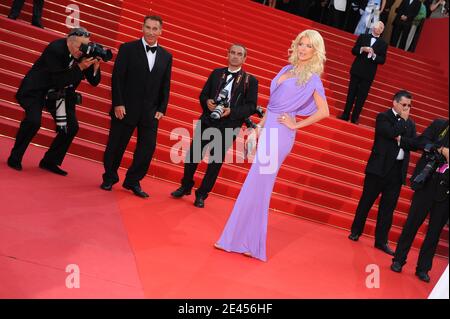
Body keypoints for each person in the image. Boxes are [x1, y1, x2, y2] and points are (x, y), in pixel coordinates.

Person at [215, 30, 329, 261]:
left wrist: (296, 125)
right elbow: (272, 104)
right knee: (254, 185)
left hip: (281, 134)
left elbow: (324, 111)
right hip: (268, 128)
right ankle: (242, 241)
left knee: (260, 186)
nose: (302, 48)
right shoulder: (287, 70)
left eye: (308, 46)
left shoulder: (312, 79)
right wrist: (258, 127)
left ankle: (249, 243)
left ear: (315, 51)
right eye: (301, 44)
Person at [170, 44, 258, 208]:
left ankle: (202, 194)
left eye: (239, 54)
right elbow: (203, 94)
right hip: (209, 120)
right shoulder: (217, 73)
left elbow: (251, 106)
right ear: (227, 54)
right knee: (193, 155)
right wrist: (207, 102)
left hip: (229, 125)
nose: (235, 56)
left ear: (244, 58)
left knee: (215, 162)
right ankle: (186, 185)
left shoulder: (250, 81)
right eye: (232, 52)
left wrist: (231, 111)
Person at [7, 27, 101, 175]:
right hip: (38, 89)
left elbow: (94, 81)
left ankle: (50, 161)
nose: (82, 50)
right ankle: (15, 156)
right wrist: (81, 67)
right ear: (69, 42)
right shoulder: (55, 49)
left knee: (71, 127)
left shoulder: (82, 53)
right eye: (80, 46)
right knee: (33, 121)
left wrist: (95, 67)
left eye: (86, 46)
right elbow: (59, 80)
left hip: (59, 94)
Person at [100, 16, 172, 198]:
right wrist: (118, 103)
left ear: (161, 31)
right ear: (142, 28)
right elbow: (117, 78)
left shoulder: (166, 56)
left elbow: (165, 84)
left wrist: (162, 108)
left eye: (155, 29)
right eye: (148, 27)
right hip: (125, 108)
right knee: (116, 145)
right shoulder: (127, 48)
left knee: (147, 149)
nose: (151, 32)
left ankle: (133, 180)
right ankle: (109, 177)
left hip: (150, 112)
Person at [348, 90, 417, 256]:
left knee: (388, 209)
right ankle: (356, 231)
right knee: (366, 201)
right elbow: (389, 133)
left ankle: (381, 241)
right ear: (395, 103)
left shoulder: (411, 124)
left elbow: (414, 144)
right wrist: (401, 126)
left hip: (396, 171)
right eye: (404, 105)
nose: (407, 108)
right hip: (378, 169)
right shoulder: (383, 117)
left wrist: (401, 138)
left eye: (409, 105)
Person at [391, 118, 449, 283]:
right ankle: (398, 259)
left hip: (446, 191)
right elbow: (422, 141)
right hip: (427, 183)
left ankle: (423, 268)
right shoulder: (440, 125)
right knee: (412, 224)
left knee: (434, 232)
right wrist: (442, 150)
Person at [338, 21, 387, 124]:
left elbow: (382, 60)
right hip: (357, 70)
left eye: (382, 28)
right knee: (351, 93)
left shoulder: (383, 44)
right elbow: (354, 50)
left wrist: (374, 55)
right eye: (378, 27)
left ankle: (355, 117)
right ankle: (345, 114)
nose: (379, 29)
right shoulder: (363, 36)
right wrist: (362, 49)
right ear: (374, 27)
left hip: (368, 74)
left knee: (362, 97)